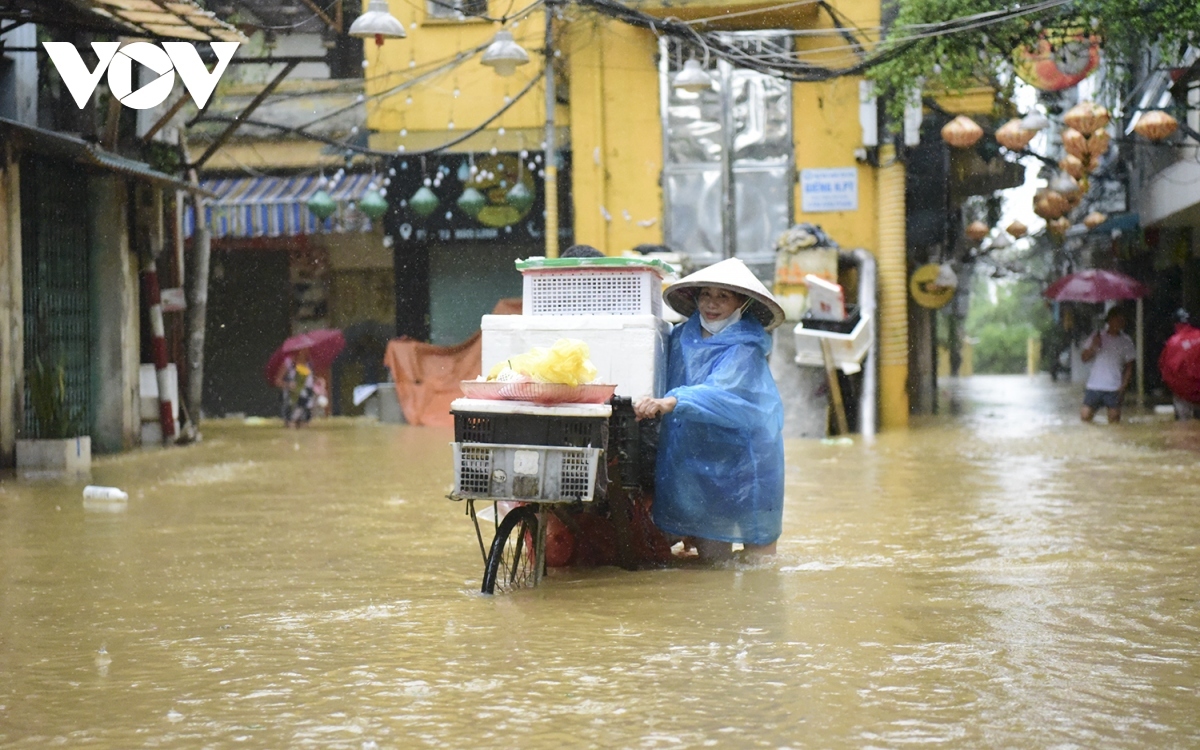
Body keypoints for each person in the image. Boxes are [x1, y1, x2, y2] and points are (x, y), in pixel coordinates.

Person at [634, 258, 786, 562]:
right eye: (706, 295)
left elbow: (723, 394)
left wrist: (671, 402)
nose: (711, 304)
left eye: (723, 296)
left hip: (745, 463)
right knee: (713, 568)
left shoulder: (746, 348)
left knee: (760, 563)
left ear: (741, 303)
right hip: (696, 460)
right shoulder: (679, 338)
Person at [1081, 306, 1136, 423]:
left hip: (1114, 388)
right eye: (1117, 319)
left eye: (1122, 320)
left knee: (1114, 421)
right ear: (1110, 320)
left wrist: (1123, 387)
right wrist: (1093, 347)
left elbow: (1129, 367)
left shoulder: (1126, 341)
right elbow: (1084, 358)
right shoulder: (1096, 336)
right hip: (1094, 386)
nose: (1120, 323)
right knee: (1085, 417)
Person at [275, 347, 316, 427]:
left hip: (306, 398)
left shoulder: (309, 364)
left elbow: (312, 381)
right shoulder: (289, 363)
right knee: (291, 423)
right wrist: (288, 385)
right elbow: (278, 381)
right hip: (293, 397)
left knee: (304, 423)